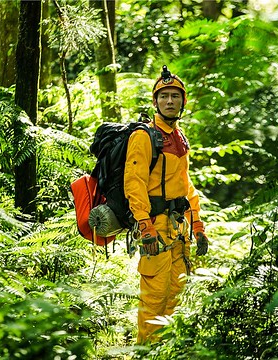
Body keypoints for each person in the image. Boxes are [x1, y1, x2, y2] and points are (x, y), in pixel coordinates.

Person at [124, 65, 209, 344]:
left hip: (179, 228)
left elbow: (185, 185)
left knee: (176, 292)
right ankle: (145, 350)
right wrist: (144, 225)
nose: (169, 101)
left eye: (175, 96)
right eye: (164, 97)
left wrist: (197, 224)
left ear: (183, 101)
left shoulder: (180, 137)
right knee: (155, 295)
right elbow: (133, 183)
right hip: (155, 228)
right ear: (155, 102)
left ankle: (165, 349)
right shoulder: (144, 137)